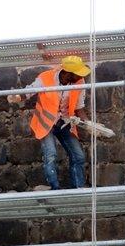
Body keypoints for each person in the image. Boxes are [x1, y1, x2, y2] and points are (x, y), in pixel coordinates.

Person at [7, 55, 92, 190]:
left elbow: (79, 107)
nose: (80, 77)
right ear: (68, 73)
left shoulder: (79, 82)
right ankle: (55, 189)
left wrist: (90, 124)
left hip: (65, 123)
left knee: (79, 156)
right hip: (46, 124)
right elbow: (29, 92)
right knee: (51, 155)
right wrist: (16, 97)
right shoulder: (46, 78)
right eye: (77, 74)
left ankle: (78, 188)